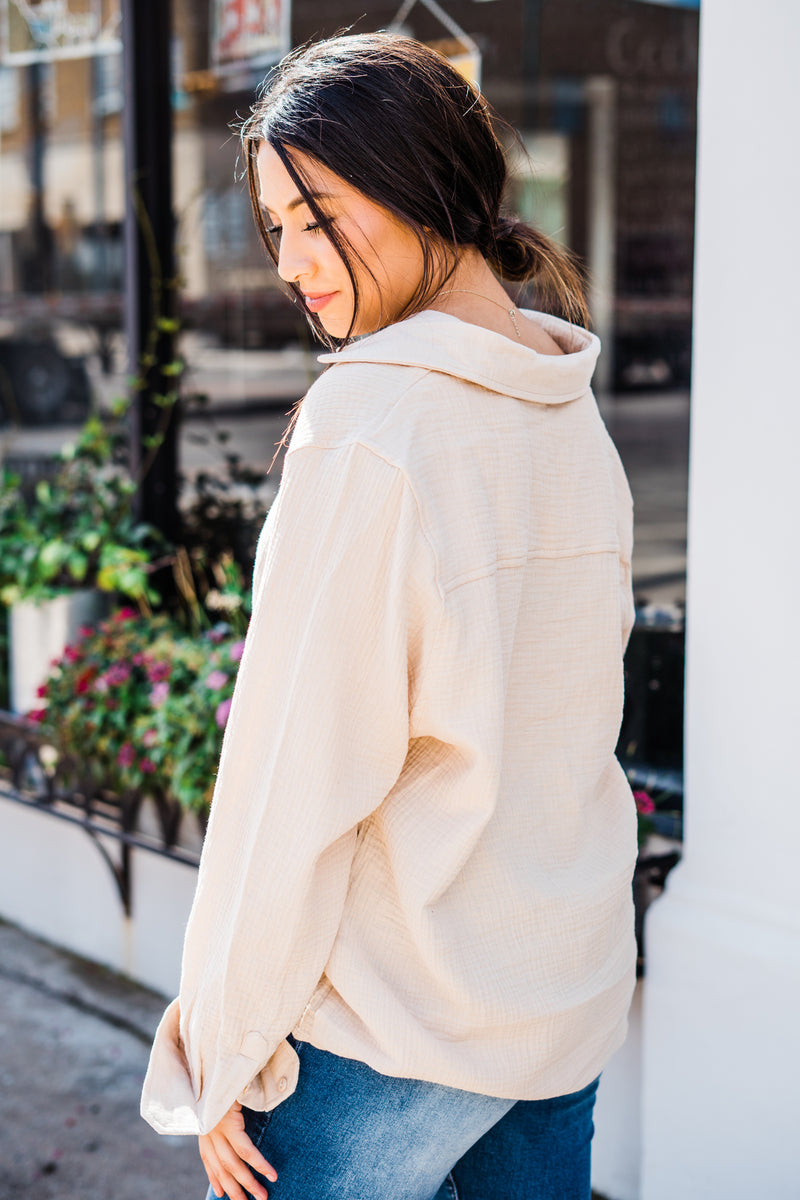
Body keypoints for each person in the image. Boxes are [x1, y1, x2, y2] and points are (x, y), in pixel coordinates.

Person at [140, 31, 637, 1200]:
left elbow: (292, 780)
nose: (292, 262)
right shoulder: (569, 411)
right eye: (277, 228)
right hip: (554, 1005)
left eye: (319, 215)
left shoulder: (370, 429)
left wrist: (217, 1050)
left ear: (420, 181)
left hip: (389, 1036)